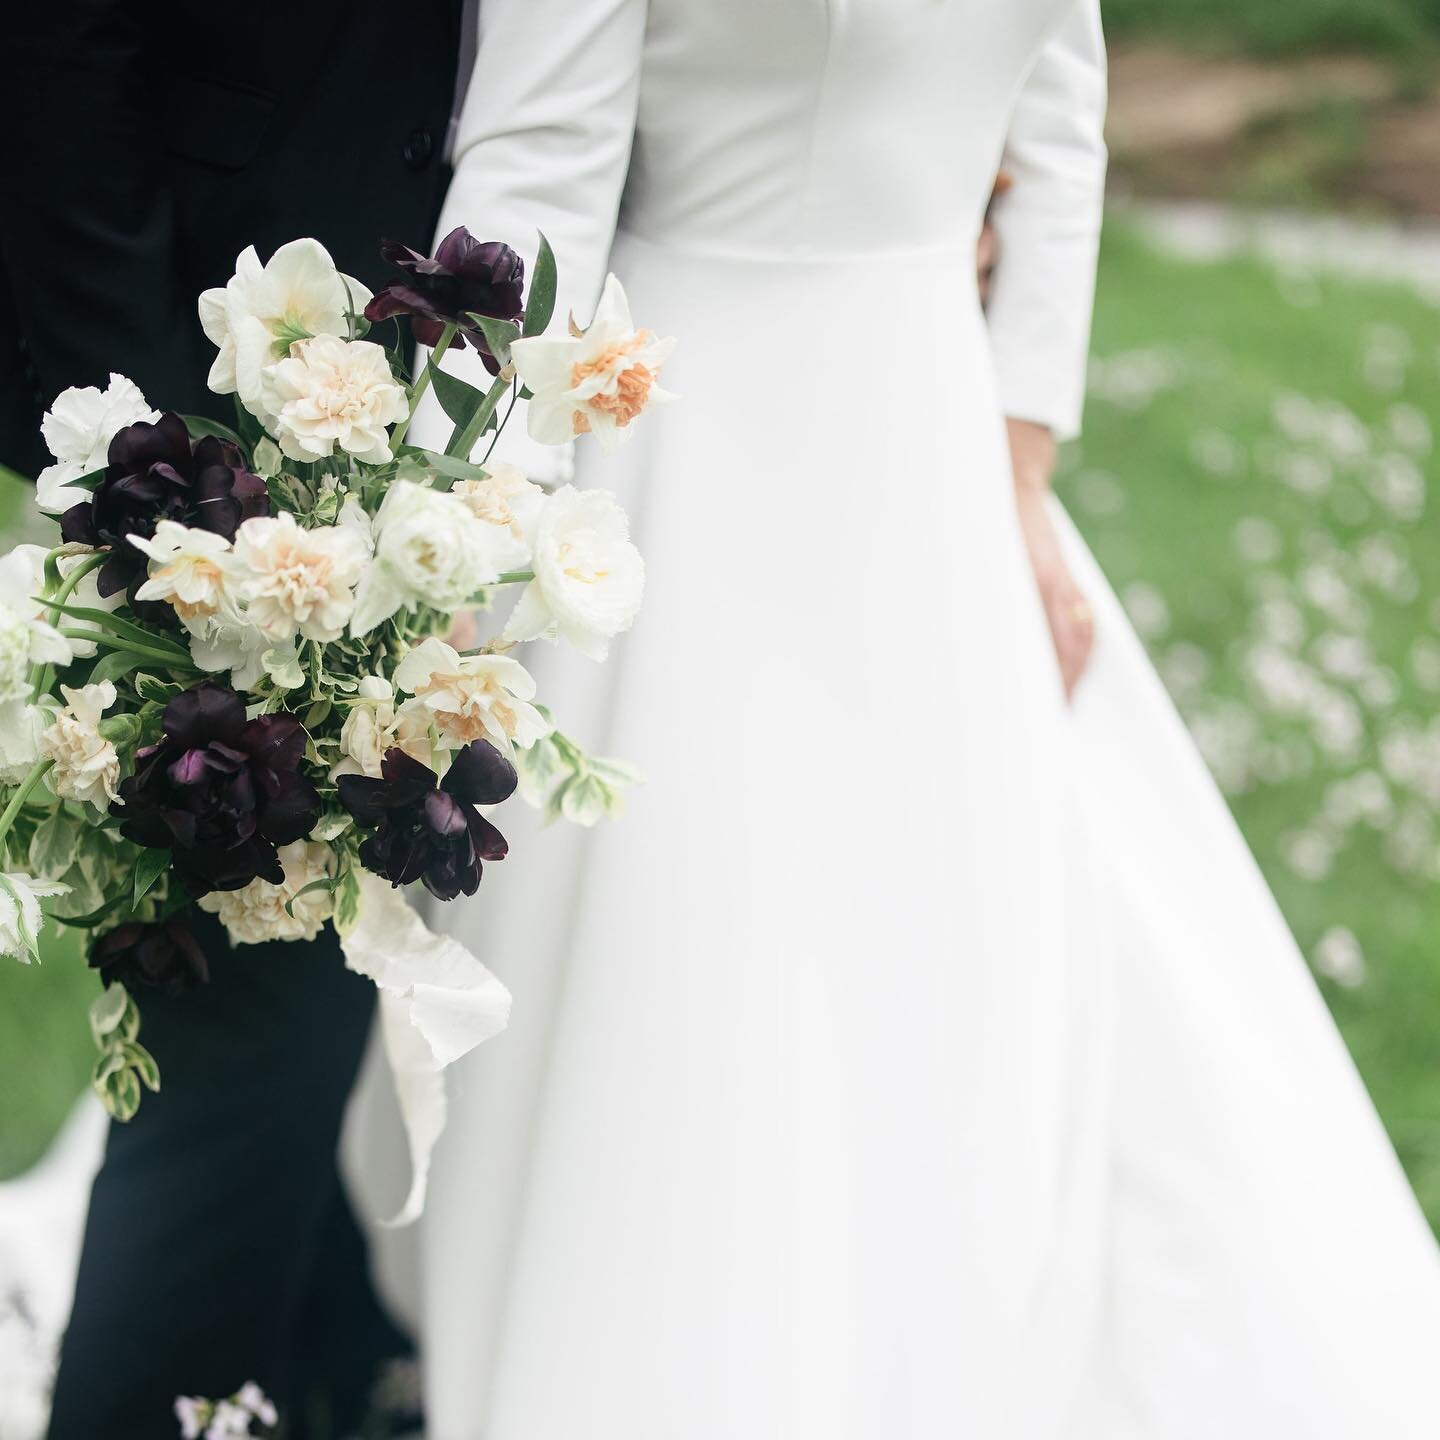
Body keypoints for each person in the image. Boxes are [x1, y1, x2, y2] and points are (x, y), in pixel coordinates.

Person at [364, 0, 1440, 1435]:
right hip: (735, 443)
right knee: (734, 934)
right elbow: (543, 188)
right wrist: (479, 534)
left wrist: (1019, 476)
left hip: (877, 439)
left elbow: (1053, 119)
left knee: (913, 930)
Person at [0, 3, 464, 1433]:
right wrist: (137, 453)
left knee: (292, 1010)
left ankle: (340, 1368)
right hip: (213, 389)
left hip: (489, 367)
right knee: (247, 1021)